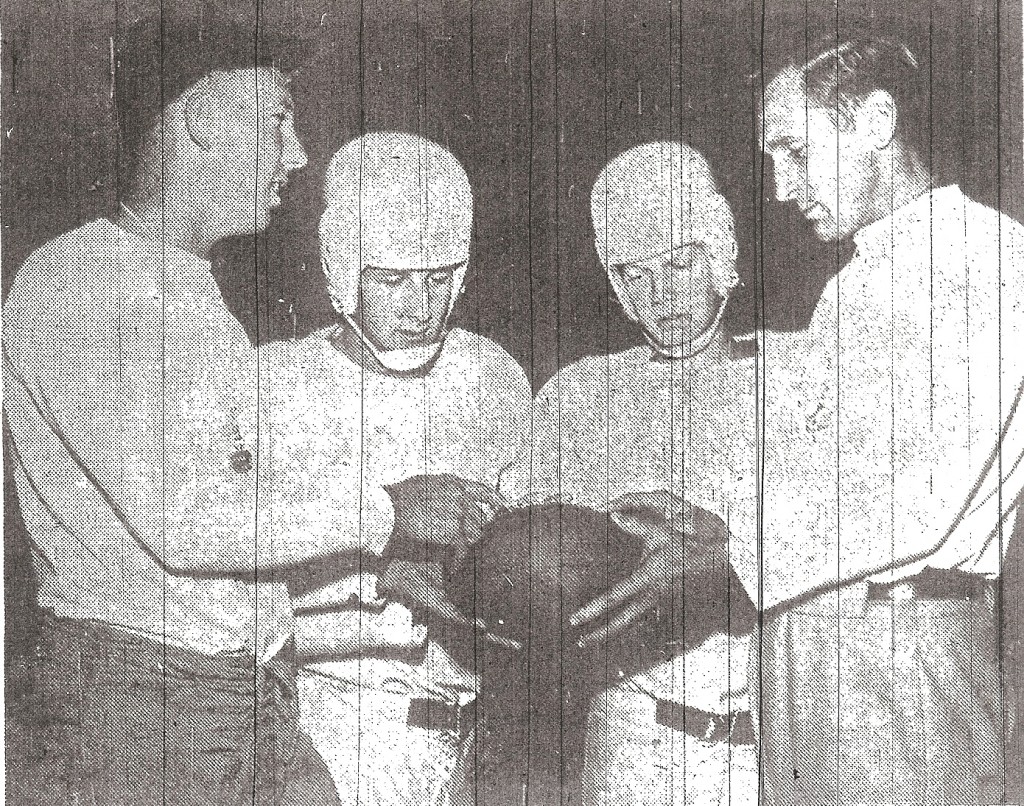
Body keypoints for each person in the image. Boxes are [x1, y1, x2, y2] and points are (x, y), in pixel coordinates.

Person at [2, 20, 488, 806]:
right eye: (277, 122)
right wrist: (389, 513)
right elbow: (185, 522)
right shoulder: (83, 281)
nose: (296, 155)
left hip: (240, 689)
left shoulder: (187, 289)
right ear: (200, 119)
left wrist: (384, 569)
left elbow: (228, 509)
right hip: (148, 700)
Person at [572, 39, 1024, 804]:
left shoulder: (986, 256)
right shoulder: (856, 282)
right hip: (807, 640)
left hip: (896, 652)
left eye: (794, 150)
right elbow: (832, 475)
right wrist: (715, 528)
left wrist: (729, 554)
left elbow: (917, 496)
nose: (780, 187)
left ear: (876, 120)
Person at [256, 131, 531, 805]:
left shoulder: (490, 374)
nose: (419, 307)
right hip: (336, 730)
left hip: (468, 730)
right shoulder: (276, 382)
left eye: (440, 278)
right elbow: (234, 576)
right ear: (341, 268)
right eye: (392, 280)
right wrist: (381, 578)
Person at [500, 141, 758, 806]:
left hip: (776, 743)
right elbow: (530, 572)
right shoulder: (581, 395)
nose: (661, 293)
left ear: (721, 253)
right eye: (635, 275)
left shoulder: (793, 380)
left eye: (679, 263)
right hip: (635, 744)